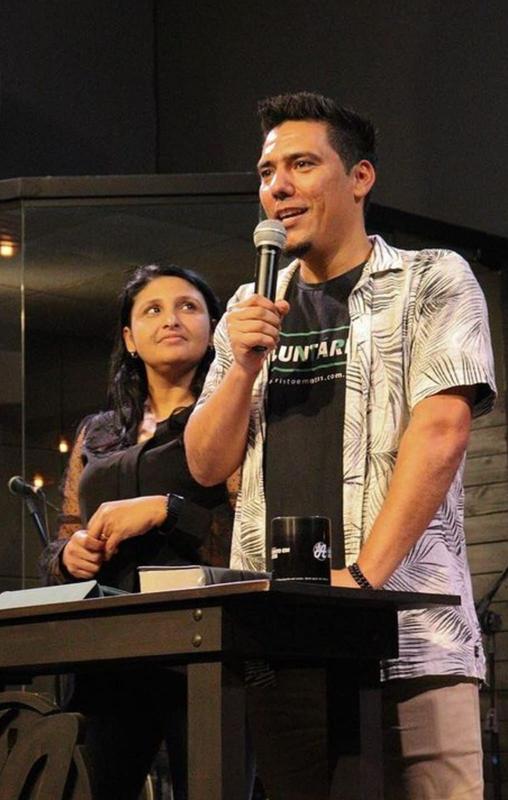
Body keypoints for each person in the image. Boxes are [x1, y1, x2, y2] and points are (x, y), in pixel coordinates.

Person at [184, 92, 497, 800]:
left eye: (301, 164)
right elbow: (205, 463)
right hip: (282, 645)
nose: (278, 187)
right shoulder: (246, 310)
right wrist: (243, 367)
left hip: (408, 638)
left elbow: (442, 431)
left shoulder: (431, 278)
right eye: (267, 172)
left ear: (360, 178)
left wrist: (360, 583)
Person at [41, 263, 234, 800]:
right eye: (153, 309)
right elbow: (63, 535)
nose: (171, 319)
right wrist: (69, 555)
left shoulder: (233, 415)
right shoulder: (97, 432)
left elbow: (251, 531)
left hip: (202, 646)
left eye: (188, 307)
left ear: (214, 327)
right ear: (129, 338)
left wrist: (168, 511)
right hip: (110, 649)